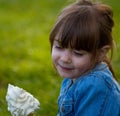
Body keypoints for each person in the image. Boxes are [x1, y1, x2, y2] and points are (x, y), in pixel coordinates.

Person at [49, 0, 120, 115]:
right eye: (59, 47)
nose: (65, 59)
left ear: (101, 53)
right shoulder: (74, 75)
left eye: (78, 53)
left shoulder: (94, 85)